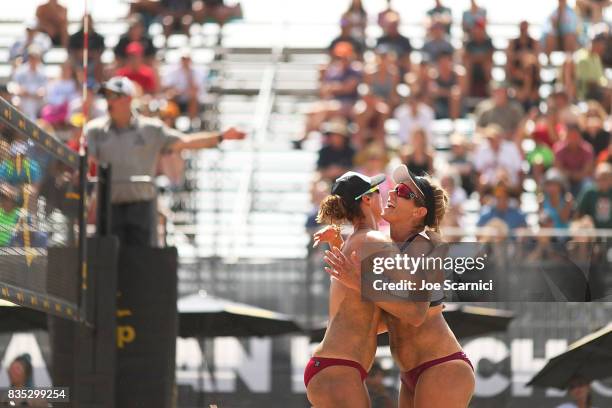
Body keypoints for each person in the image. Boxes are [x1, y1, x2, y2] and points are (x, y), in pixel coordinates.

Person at [323, 164, 475, 408]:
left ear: (419, 212)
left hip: (441, 365)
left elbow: (415, 316)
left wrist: (359, 283)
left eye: (404, 191)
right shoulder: (387, 249)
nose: (392, 193)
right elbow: (384, 318)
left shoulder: (422, 246)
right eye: (394, 188)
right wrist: (340, 245)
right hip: (413, 371)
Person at [85, 77, 245, 246]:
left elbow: (186, 142)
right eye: (107, 96)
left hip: (142, 207)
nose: (109, 102)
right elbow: (87, 162)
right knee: (108, 263)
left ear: (128, 99)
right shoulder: (95, 130)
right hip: (109, 208)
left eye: (114, 96)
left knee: (141, 262)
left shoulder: (152, 129)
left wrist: (221, 137)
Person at [306, 171, 387, 407]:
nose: (382, 196)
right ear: (367, 200)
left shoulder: (355, 242)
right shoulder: (373, 240)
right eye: (376, 191)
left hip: (332, 365)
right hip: (340, 367)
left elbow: (359, 311)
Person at [162, 48, 206, 121]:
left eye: (187, 59)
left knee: (193, 98)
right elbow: (167, 88)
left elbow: (195, 90)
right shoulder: (173, 72)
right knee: (171, 97)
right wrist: (176, 92)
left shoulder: (197, 72)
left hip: (190, 100)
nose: (185, 61)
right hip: (177, 99)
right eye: (184, 59)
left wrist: (189, 75)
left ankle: (192, 124)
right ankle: (172, 123)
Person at [553, 123, 594, 198]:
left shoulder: (587, 149)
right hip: (564, 179)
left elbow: (587, 171)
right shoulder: (559, 148)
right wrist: (571, 175)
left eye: (575, 136)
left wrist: (573, 175)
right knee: (554, 181)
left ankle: (583, 207)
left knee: (588, 184)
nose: (573, 139)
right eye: (570, 136)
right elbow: (557, 169)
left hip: (581, 180)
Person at [11, 45, 48, 120]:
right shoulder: (21, 70)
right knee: (16, 101)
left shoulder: (42, 71)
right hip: (23, 98)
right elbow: (15, 87)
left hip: (37, 100)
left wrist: (35, 94)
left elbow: (44, 90)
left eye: (35, 57)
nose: (33, 59)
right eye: (31, 57)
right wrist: (24, 92)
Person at [463, 18, 494, 98]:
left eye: (479, 28)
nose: (477, 30)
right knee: (468, 65)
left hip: (484, 69)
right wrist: (480, 58)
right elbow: (466, 58)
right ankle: (467, 93)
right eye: (476, 28)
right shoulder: (469, 42)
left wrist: (475, 58)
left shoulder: (488, 41)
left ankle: (490, 92)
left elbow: (489, 57)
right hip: (472, 69)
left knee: (487, 65)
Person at [430, 51, 466, 120]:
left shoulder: (458, 75)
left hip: (457, 105)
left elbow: (461, 92)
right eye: (442, 62)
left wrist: (442, 92)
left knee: (455, 98)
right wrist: (449, 92)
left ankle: (453, 123)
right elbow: (433, 91)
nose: (444, 64)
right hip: (439, 103)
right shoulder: (434, 75)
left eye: (446, 61)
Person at [576, 162, 612, 229]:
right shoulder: (589, 192)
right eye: (600, 178)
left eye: (606, 178)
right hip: (592, 235)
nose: (603, 181)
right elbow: (578, 215)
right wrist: (585, 221)